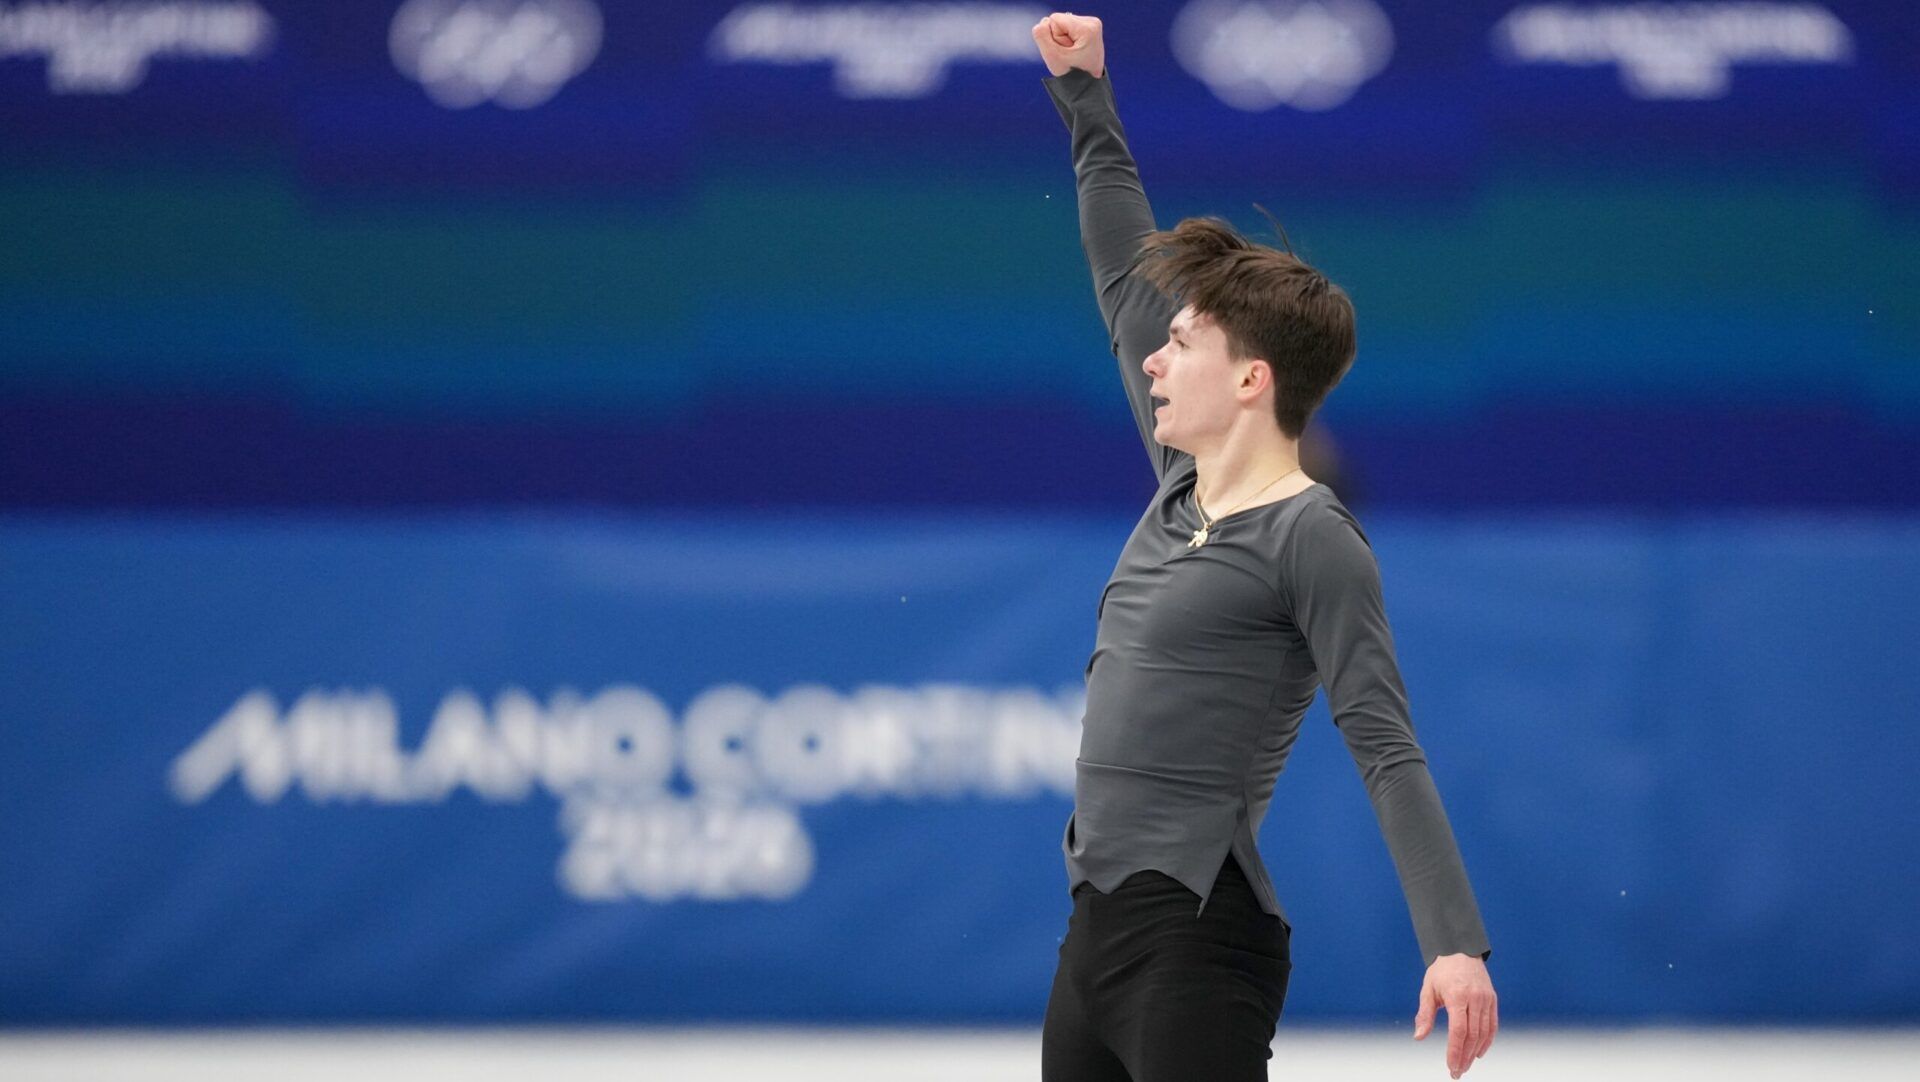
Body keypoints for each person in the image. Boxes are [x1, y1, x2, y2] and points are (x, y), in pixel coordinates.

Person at [1030, 12, 1499, 1081]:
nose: (1153, 360)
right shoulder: (1178, 493)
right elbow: (1116, 260)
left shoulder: (1313, 538)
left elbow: (1385, 744)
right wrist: (1084, 94)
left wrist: (1455, 941)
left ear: (1251, 380)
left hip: (1198, 943)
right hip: (1092, 940)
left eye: (1181, 344)